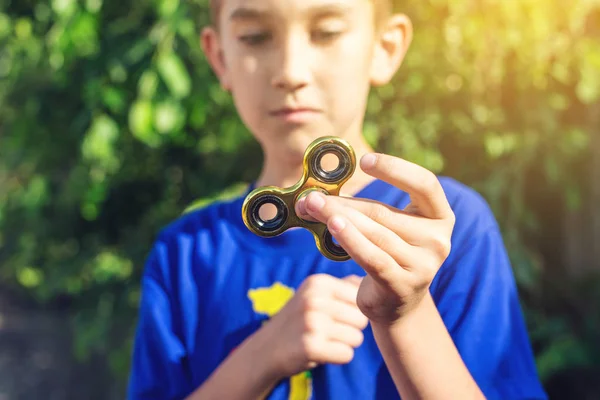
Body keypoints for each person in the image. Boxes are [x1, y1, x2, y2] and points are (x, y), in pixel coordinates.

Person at [126, 0, 548, 399]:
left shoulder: (441, 227)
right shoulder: (184, 255)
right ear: (219, 57)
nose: (290, 72)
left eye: (326, 33)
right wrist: (261, 357)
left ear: (385, 48)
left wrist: (406, 314)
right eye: (255, 37)